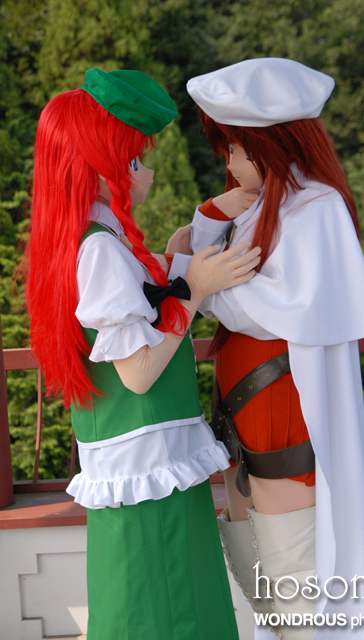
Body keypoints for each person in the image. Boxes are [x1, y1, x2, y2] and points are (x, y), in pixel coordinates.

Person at [24, 67, 262, 640]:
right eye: (133, 161)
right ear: (99, 169)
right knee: (169, 612)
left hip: (147, 463)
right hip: (149, 467)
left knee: (149, 607)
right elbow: (137, 372)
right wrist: (194, 290)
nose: (146, 172)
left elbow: (147, 300)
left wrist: (190, 246)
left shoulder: (90, 239)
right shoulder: (99, 251)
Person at [181, 58, 364, 639]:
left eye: (234, 149)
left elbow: (262, 304)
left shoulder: (315, 207)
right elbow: (212, 275)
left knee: (293, 577)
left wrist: (197, 283)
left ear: (266, 145)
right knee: (259, 573)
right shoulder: (264, 203)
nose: (228, 163)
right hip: (244, 411)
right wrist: (209, 224)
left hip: (281, 412)